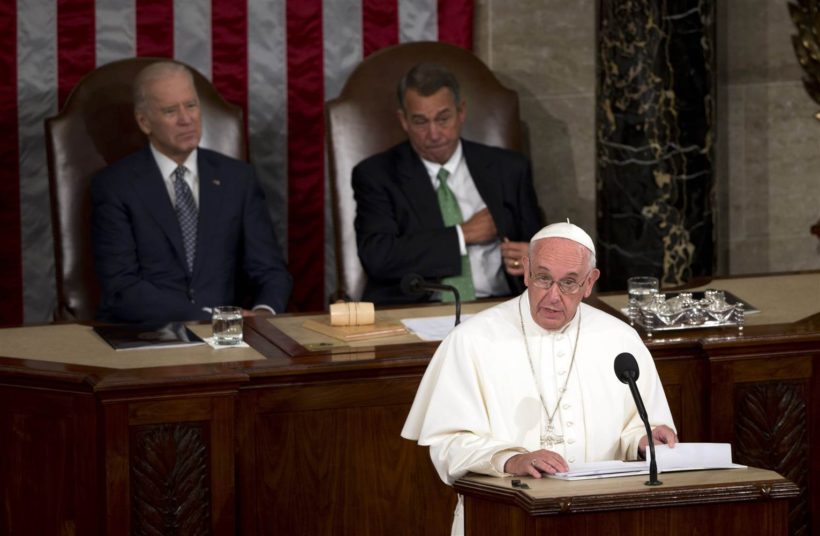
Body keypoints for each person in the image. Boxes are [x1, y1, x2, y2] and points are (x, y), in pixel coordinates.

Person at [401, 222, 677, 534]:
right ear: (527, 270)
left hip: (600, 518)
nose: (553, 296)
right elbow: (446, 444)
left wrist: (645, 441)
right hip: (504, 520)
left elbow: (640, 427)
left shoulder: (621, 340)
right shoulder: (472, 340)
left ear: (590, 283)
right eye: (543, 278)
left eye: (569, 283)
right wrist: (509, 459)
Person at [91, 61, 292, 323]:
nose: (186, 119)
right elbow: (121, 287)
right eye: (170, 111)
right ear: (144, 122)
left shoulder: (237, 178)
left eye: (191, 105)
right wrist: (207, 317)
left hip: (225, 339)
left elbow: (270, 270)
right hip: (148, 335)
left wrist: (262, 315)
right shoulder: (115, 185)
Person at [352, 62, 542, 305]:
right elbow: (378, 257)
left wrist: (536, 257)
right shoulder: (377, 175)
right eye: (421, 122)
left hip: (501, 306)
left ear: (461, 112)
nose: (434, 134)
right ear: (404, 121)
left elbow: (540, 246)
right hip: (419, 310)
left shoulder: (509, 169)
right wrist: (463, 234)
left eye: (443, 118)